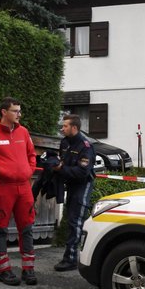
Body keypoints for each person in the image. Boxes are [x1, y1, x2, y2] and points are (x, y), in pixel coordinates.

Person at [0, 97, 37, 286]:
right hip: (2, 187)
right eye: (15, 111)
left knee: (27, 228)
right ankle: (3, 270)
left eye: (19, 110)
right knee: (0, 228)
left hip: (24, 187)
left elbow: (32, 155)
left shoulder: (23, 132)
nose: (19, 114)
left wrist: (29, 170)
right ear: (4, 112)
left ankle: (28, 269)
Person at [53, 114, 95, 272]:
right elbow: (62, 161)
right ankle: (71, 256)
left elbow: (82, 172)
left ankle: (70, 260)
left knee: (76, 222)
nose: (62, 128)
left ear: (74, 128)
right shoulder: (64, 142)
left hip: (82, 186)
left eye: (65, 126)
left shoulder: (85, 146)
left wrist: (61, 169)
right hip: (70, 185)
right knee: (71, 221)